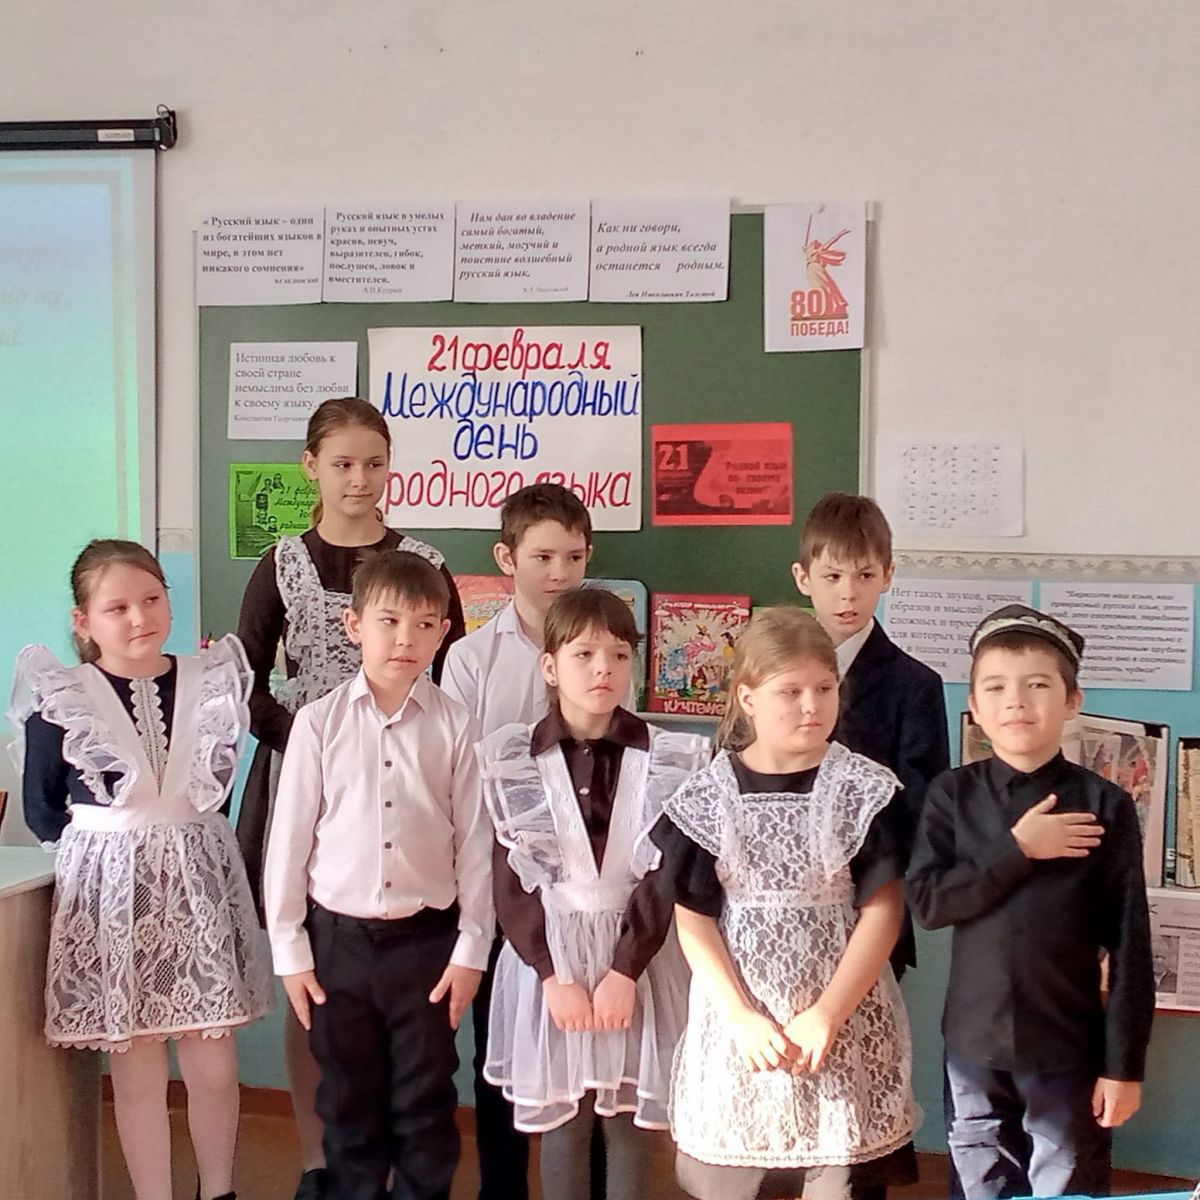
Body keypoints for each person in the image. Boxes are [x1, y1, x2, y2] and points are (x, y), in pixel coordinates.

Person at [236, 396, 464, 1200]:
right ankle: (318, 1160)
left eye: (374, 463)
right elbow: (244, 683)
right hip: (305, 777)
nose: (359, 479)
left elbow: (450, 678)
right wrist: (312, 742)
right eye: (342, 464)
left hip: (408, 781)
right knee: (315, 986)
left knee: (402, 1018)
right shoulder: (281, 564)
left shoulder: (423, 561)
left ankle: (397, 1173)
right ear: (312, 468)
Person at [8, 538, 273, 1200]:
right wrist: (114, 850)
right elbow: (43, 806)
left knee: (213, 1062)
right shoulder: (61, 696)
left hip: (198, 885)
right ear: (83, 621)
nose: (139, 617)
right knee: (137, 1069)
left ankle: (219, 1190)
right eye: (117, 607)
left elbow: (215, 787)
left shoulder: (211, 681)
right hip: (112, 896)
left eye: (152, 599)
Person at [654, 606, 917, 1200]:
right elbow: (694, 919)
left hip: (839, 1025)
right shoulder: (708, 796)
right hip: (742, 1031)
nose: (810, 706)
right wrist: (740, 1015)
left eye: (824, 688)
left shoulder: (864, 790)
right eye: (789, 691)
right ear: (747, 698)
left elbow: (882, 911)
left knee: (837, 1182)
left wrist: (828, 1013)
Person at [263, 550, 493, 1200]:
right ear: (354, 625)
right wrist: (291, 953)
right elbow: (289, 844)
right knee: (347, 1102)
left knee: (424, 1103)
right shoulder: (318, 724)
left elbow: (476, 845)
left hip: (427, 947)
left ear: (443, 633)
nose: (404, 639)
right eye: (388, 621)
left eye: (423, 625)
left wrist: (471, 950)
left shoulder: (457, 725)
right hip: (338, 946)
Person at [907, 604, 1156, 1199]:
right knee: (980, 1185)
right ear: (975, 704)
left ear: (1072, 700)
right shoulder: (952, 795)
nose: (1016, 701)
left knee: (1067, 1186)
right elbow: (929, 904)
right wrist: (1019, 849)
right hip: (973, 1049)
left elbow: (1130, 944)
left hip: (1067, 1046)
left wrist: (1124, 1067)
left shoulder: (1105, 803)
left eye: (1038, 685)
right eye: (996, 687)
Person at [478, 587, 707, 1200]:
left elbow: (665, 878)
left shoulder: (668, 758)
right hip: (552, 963)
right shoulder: (515, 759)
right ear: (550, 666)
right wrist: (552, 975)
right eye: (583, 654)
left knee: (628, 1119)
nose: (603, 668)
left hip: (637, 961)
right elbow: (511, 883)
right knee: (565, 1120)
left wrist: (625, 971)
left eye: (618, 655)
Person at [440, 481, 595, 1200]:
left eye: (573, 556)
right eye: (542, 556)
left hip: (585, 882)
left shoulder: (600, 649)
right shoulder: (472, 658)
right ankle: (502, 1188)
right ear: (507, 559)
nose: (559, 572)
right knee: (499, 1041)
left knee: (587, 1046)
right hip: (502, 878)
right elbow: (461, 775)